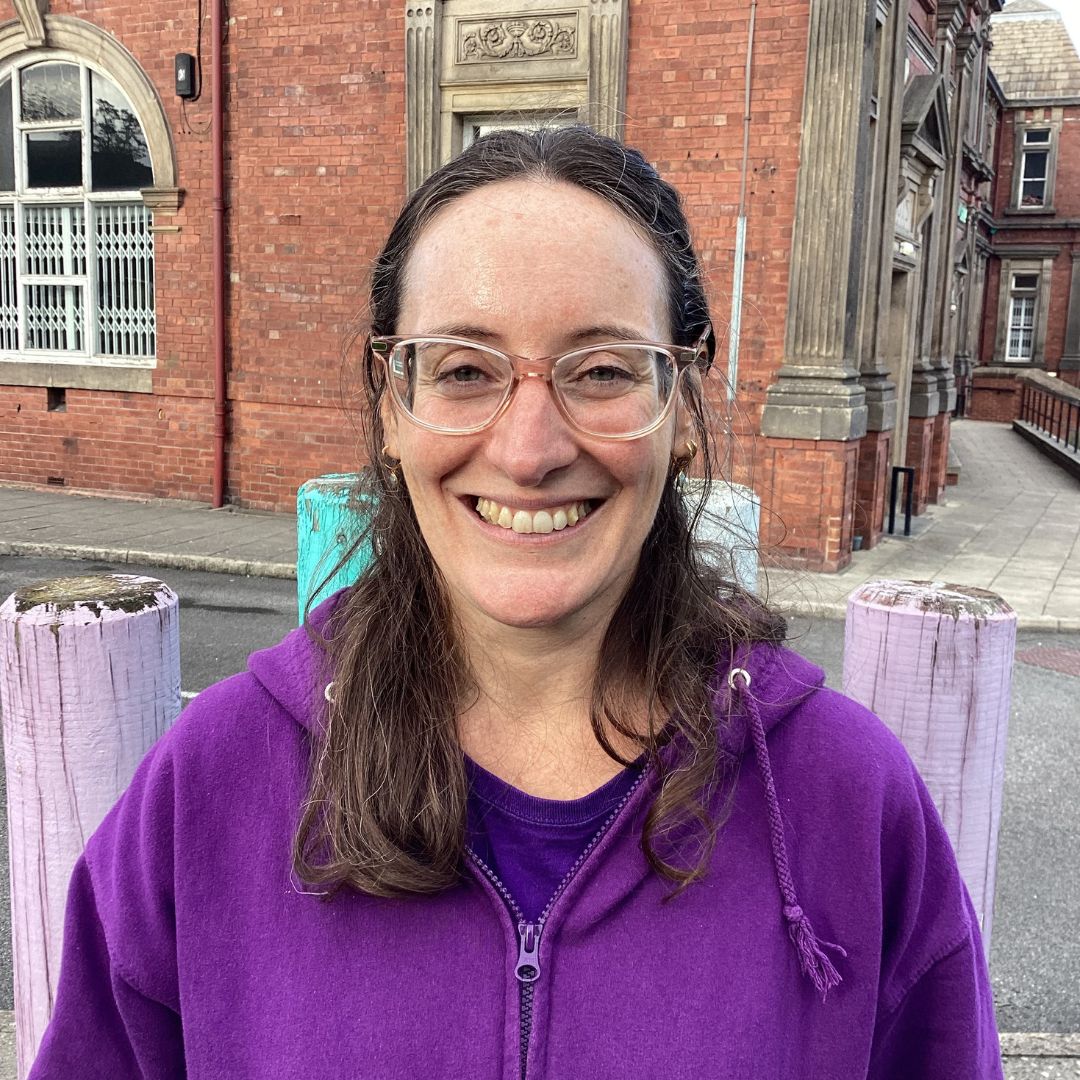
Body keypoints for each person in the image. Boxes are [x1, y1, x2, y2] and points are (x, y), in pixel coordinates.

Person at [30, 126, 1002, 1079]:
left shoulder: (847, 806)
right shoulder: (207, 794)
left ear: (685, 405)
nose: (530, 449)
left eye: (603, 370)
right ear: (390, 403)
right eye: (463, 370)